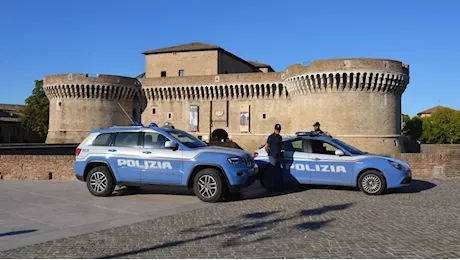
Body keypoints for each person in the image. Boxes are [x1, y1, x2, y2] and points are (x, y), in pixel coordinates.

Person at [263, 123, 283, 190]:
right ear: (274, 129)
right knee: (272, 172)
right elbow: (266, 147)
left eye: (279, 130)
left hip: (278, 157)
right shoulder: (271, 137)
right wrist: (269, 153)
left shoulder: (280, 137)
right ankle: (270, 187)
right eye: (277, 130)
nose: (278, 131)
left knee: (277, 172)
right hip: (272, 157)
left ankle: (277, 186)